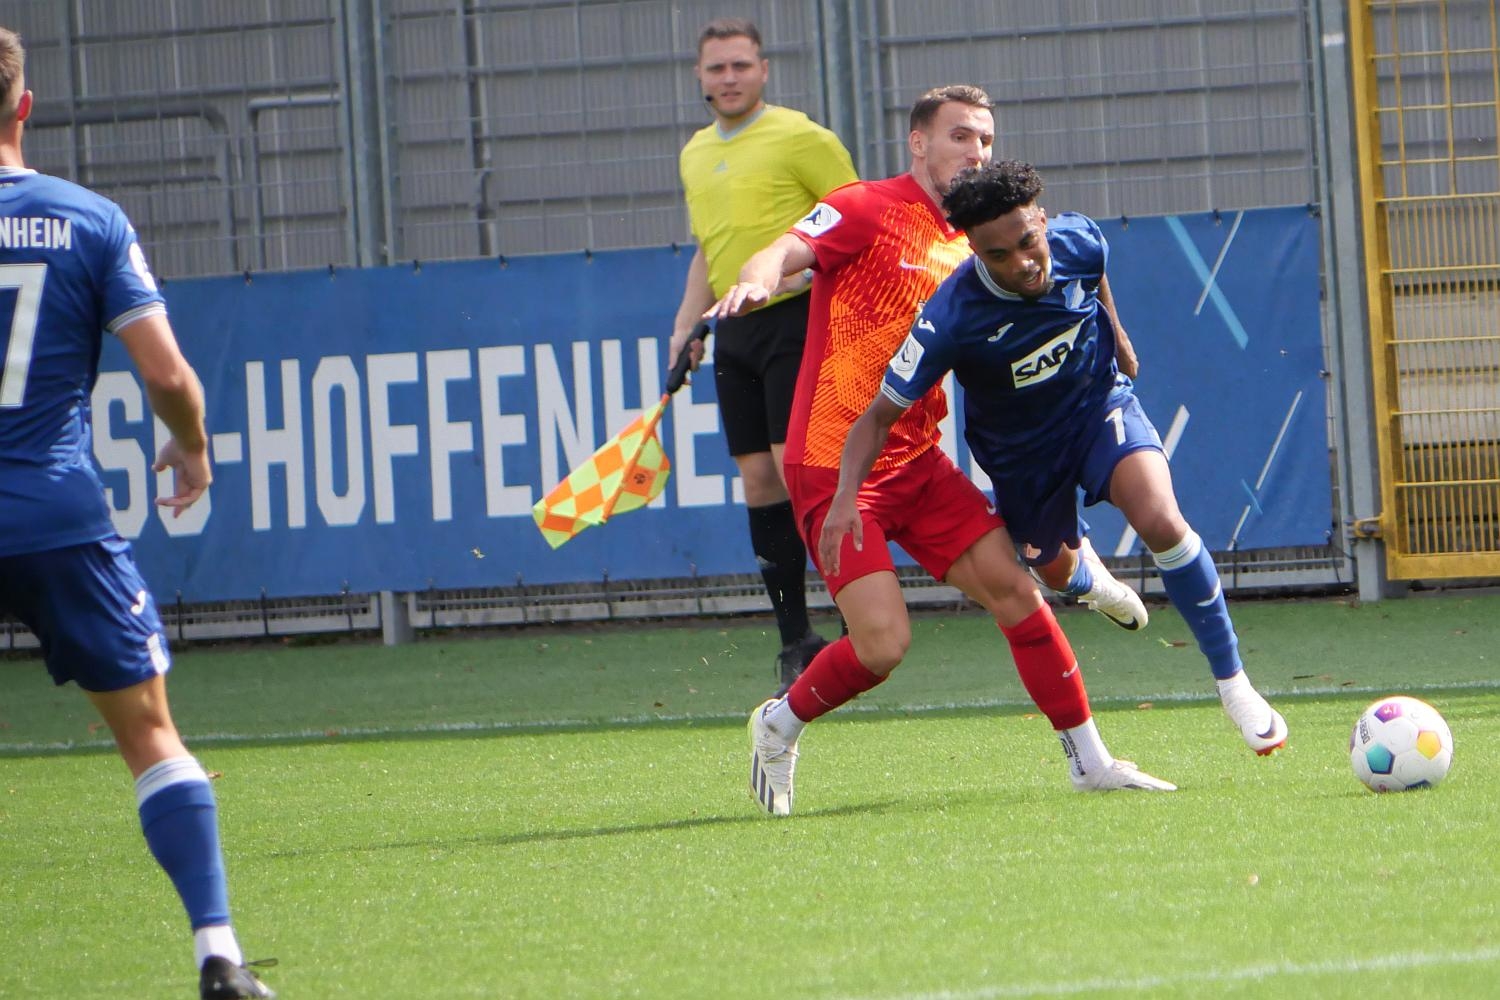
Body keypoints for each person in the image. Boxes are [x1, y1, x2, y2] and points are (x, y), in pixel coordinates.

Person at [707, 85, 1173, 817]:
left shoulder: (980, 237)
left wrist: (1111, 334)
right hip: (835, 465)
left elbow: (1079, 258)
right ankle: (779, 723)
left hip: (917, 461)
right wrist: (758, 277)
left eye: (985, 140)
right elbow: (787, 249)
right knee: (884, 644)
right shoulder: (866, 206)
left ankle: (1092, 762)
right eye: (961, 137)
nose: (976, 152)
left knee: (1017, 591)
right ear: (918, 143)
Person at [0, 28, 274, 1000]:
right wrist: (192, 445)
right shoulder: (87, 220)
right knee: (151, 732)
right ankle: (217, 953)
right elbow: (165, 374)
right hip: (55, 515)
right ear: (23, 106)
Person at [865, 158, 1288, 758]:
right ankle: (1093, 584)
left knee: (1161, 521)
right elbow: (880, 413)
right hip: (1022, 459)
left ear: (1041, 219)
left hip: (1096, 408)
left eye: (1027, 241)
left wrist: (1116, 332)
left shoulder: (1079, 239)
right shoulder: (949, 318)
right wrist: (839, 502)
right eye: (998, 256)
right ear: (973, 251)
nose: (1022, 263)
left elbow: (1095, 272)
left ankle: (1235, 684)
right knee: (1053, 572)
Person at [668, 17, 858, 689]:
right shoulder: (694, 153)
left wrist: (795, 277)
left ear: (764, 69)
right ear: (699, 75)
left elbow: (852, 224)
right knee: (758, 480)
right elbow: (707, 253)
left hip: (797, 319)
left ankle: (858, 616)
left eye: (741, 65)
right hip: (734, 331)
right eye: (717, 67)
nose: (729, 78)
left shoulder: (802, 136)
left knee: (797, 467)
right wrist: (685, 329)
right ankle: (794, 639)